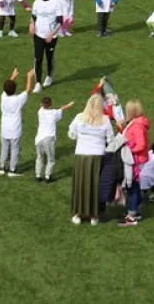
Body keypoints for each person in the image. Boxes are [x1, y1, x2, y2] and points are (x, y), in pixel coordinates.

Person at [68, 94, 115, 225]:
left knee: (80, 184)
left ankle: (78, 213)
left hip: (81, 156)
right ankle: (94, 215)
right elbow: (111, 139)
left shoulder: (79, 117)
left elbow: (71, 134)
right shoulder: (105, 120)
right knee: (96, 185)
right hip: (97, 156)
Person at [118, 100, 151, 227]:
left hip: (135, 160)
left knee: (131, 186)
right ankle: (135, 211)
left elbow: (141, 145)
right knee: (135, 186)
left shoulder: (137, 126)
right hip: (136, 159)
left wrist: (128, 150)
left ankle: (131, 215)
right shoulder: (135, 123)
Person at [0, 67, 35, 177]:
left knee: (4, 148)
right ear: (15, 90)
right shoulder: (18, 100)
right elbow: (28, 90)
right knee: (15, 150)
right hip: (14, 129)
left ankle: (1, 167)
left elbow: (8, 87)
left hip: (4, 129)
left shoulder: (3, 96)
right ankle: (12, 170)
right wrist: (29, 77)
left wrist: (13, 76)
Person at [29, 0, 63, 93]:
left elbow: (60, 21)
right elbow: (33, 16)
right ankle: (38, 83)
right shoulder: (36, 2)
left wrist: (52, 33)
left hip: (51, 37)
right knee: (37, 59)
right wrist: (31, 24)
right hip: (38, 35)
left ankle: (49, 76)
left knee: (49, 58)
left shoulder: (56, 3)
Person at [35, 96, 74, 182]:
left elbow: (42, 105)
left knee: (40, 158)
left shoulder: (40, 112)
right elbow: (62, 108)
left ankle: (38, 175)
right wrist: (69, 104)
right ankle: (47, 177)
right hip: (48, 139)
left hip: (39, 139)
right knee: (50, 159)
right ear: (51, 104)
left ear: (42, 104)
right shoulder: (54, 113)